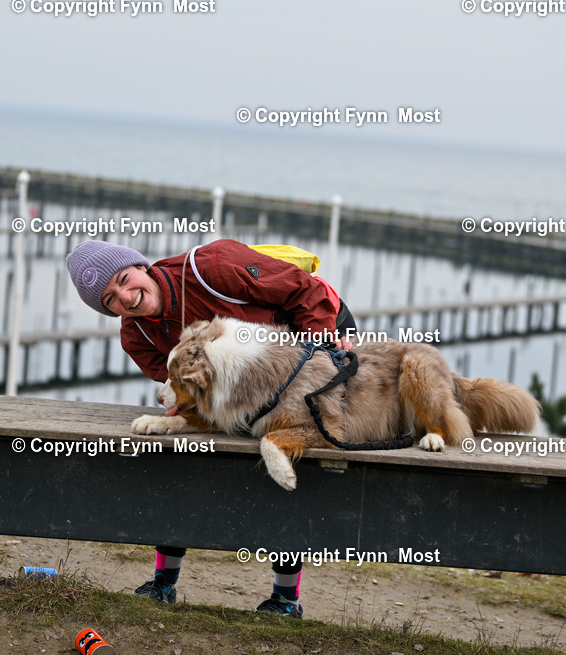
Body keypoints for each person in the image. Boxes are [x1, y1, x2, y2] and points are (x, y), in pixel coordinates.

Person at [66, 238, 357, 618]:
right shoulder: (136, 336)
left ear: (142, 266)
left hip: (315, 332)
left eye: (124, 278)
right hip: (242, 385)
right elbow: (189, 392)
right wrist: (188, 412)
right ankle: (163, 583)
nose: (126, 296)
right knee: (177, 456)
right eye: (110, 299)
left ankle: (285, 599)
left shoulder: (213, 266)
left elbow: (304, 290)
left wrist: (324, 352)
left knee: (286, 455)